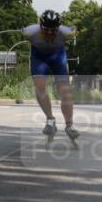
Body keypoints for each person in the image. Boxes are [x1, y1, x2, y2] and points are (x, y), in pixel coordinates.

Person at [22, 10, 78, 142]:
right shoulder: (30, 32)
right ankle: (50, 119)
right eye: (46, 30)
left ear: (58, 29)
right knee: (40, 86)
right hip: (39, 57)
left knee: (65, 90)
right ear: (40, 26)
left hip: (58, 57)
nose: (49, 34)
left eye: (53, 31)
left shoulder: (66, 32)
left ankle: (69, 125)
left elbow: (75, 29)